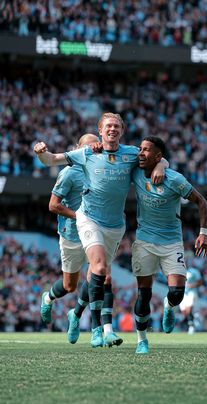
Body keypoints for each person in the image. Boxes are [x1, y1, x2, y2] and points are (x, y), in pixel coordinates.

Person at [34, 113, 168, 348]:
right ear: (100, 130)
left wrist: (163, 165)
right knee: (90, 276)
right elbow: (51, 160)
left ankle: (76, 315)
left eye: (117, 125)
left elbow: (154, 157)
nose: (113, 129)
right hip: (81, 224)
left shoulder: (129, 153)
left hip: (114, 225)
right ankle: (98, 328)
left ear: (122, 130)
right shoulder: (84, 156)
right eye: (108, 126)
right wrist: (40, 151)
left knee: (94, 277)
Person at [40, 133, 122, 347]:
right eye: (87, 146)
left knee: (102, 276)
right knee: (70, 286)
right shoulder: (69, 173)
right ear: (78, 149)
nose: (93, 149)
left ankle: (104, 330)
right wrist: (81, 217)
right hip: (72, 234)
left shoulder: (103, 169)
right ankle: (51, 299)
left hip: (96, 230)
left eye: (96, 145)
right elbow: (53, 205)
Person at [131, 136, 207, 354]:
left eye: (147, 150)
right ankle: (141, 341)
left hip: (172, 242)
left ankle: (169, 306)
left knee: (177, 293)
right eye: (140, 149)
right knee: (143, 294)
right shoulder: (135, 170)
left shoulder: (174, 179)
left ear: (158, 156)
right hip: (144, 240)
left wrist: (203, 233)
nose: (141, 153)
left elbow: (202, 202)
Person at [179, 267, 203, 334]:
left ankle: (191, 326)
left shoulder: (194, 271)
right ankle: (194, 319)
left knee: (189, 308)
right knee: (184, 312)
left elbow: (200, 282)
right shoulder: (178, 270)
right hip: (182, 293)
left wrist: (192, 285)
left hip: (191, 292)